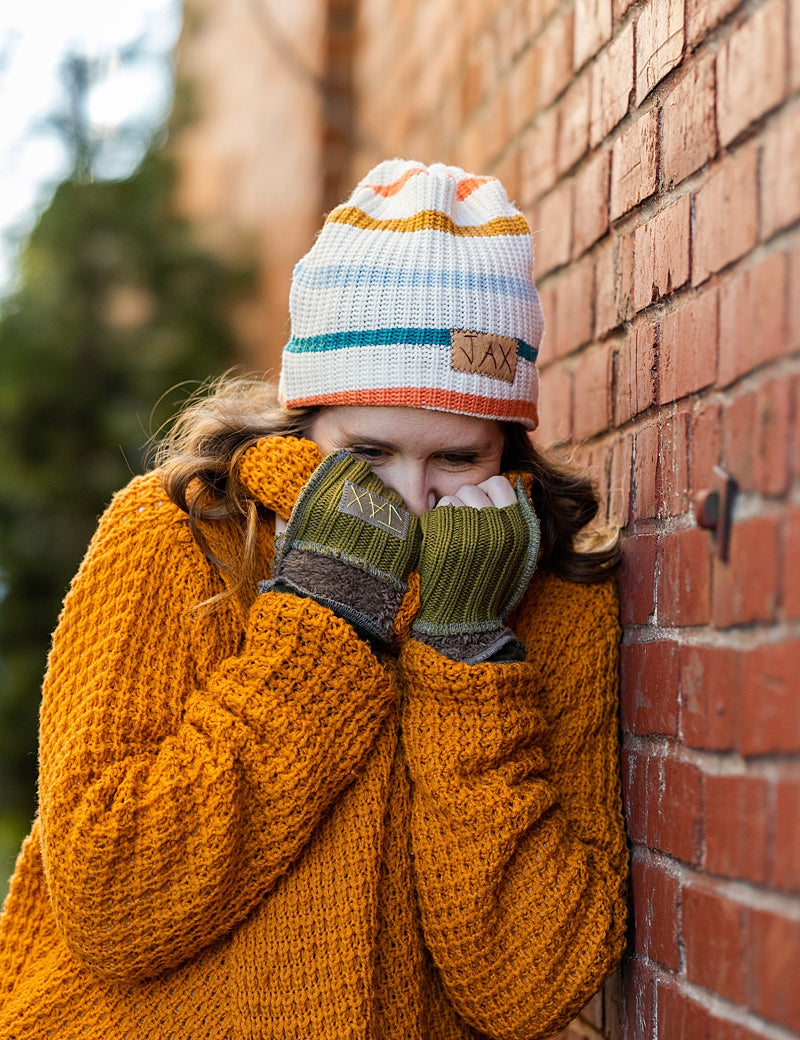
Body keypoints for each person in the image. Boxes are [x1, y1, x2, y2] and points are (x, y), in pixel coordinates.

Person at [0, 159, 628, 1039]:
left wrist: (469, 655)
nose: (412, 498)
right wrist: (326, 627)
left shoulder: (553, 601)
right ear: (306, 418)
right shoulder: (181, 533)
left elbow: (529, 991)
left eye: (457, 458)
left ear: (508, 448)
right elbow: (108, 898)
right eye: (368, 451)